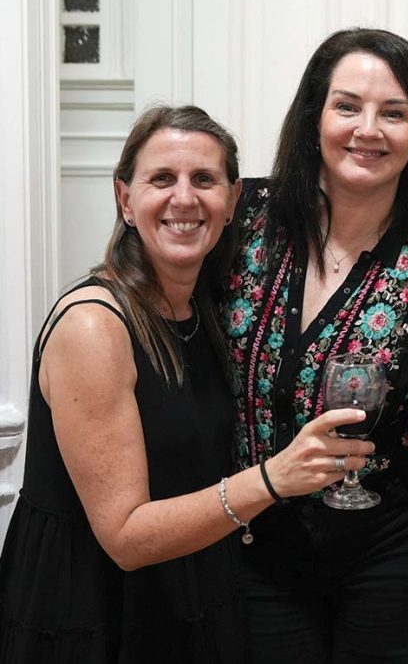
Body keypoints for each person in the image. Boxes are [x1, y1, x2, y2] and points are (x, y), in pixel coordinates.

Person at [0, 105, 367, 663]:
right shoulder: (95, 326)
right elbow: (124, 537)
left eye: (204, 179)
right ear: (125, 199)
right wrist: (274, 478)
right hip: (91, 614)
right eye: (161, 179)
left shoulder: (202, 311)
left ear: (233, 201)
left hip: (185, 596)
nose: (184, 198)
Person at [223, 27, 408, 663]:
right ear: (313, 119)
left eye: (394, 113)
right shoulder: (244, 219)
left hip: (394, 556)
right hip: (254, 546)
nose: (368, 128)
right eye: (347, 105)